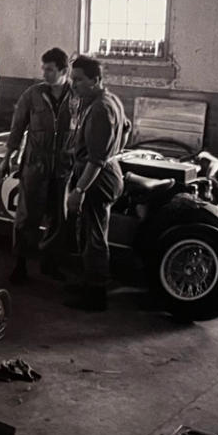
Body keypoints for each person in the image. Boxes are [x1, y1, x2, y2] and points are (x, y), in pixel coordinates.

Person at [64, 55, 129, 311]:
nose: (74, 84)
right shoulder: (106, 100)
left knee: (94, 236)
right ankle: (89, 282)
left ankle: (95, 294)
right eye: (72, 78)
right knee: (90, 232)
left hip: (97, 178)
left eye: (79, 80)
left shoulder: (101, 108)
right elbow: (126, 129)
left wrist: (79, 190)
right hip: (104, 172)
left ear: (96, 80)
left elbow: (97, 159)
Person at [7, 47, 74, 284]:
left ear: (64, 71)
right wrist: (9, 155)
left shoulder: (77, 97)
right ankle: (20, 264)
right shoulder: (32, 95)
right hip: (36, 165)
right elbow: (17, 127)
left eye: (50, 70)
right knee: (27, 216)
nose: (44, 74)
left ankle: (50, 263)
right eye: (43, 68)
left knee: (59, 218)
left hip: (64, 168)